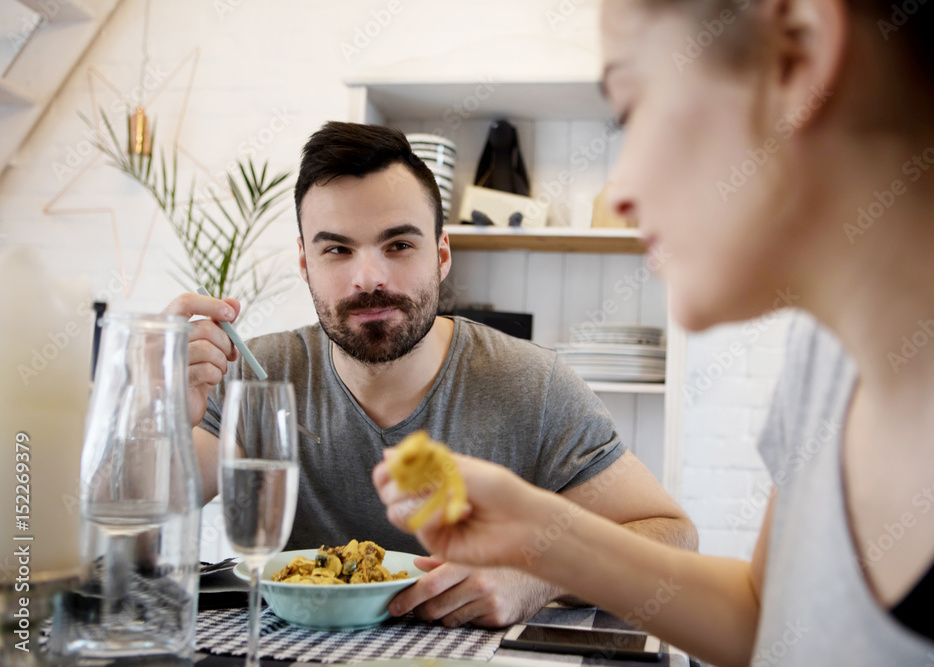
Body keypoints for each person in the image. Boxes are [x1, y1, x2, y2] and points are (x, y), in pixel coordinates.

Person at [374, 0, 934, 664]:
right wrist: (542, 535)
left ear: (798, 54)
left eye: (629, 109)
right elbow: (764, 616)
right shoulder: (825, 362)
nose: (618, 192)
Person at [163, 121, 697, 628]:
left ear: (441, 254)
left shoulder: (533, 386)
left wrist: (537, 576)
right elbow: (147, 503)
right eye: (337, 250)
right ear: (306, 264)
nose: (368, 278)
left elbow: (673, 537)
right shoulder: (255, 376)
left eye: (398, 245)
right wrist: (160, 408)